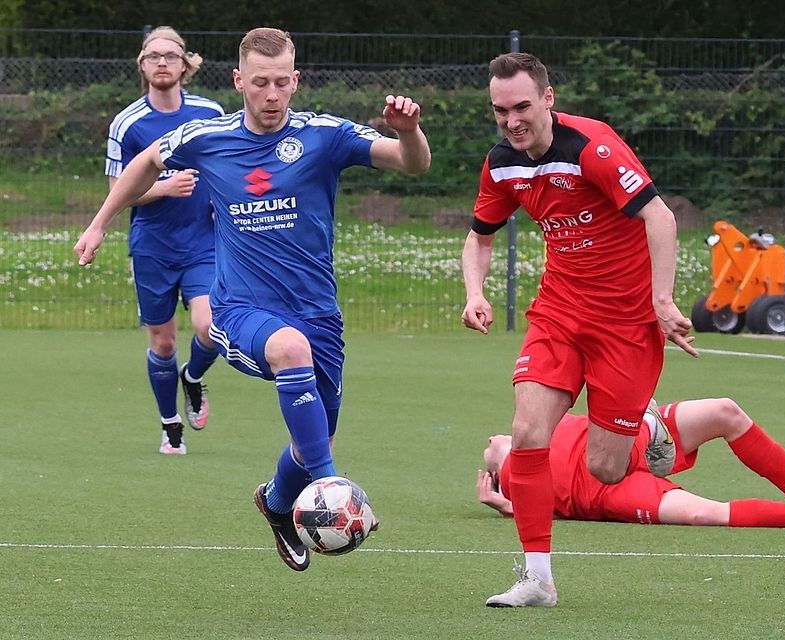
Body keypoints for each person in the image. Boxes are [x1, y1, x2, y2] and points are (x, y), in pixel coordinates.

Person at [75, 27, 431, 571]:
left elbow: (412, 164)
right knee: (291, 353)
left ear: (296, 81)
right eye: (259, 82)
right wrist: (100, 223)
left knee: (314, 430)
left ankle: (277, 500)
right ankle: (332, 488)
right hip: (239, 310)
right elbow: (144, 162)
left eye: (281, 82)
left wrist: (409, 132)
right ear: (239, 81)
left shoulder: (325, 135)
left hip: (318, 312)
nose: (270, 94)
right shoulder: (206, 136)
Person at [460, 52, 698, 607]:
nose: (512, 120)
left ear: (547, 98)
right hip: (559, 314)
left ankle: (651, 427)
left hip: (624, 325)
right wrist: (475, 291)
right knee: (527, 433)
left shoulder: (592, 146)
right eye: (500, 111)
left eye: (522, 106)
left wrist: (661, 300)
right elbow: (481, 236)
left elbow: (659, 217)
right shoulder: (501, 164)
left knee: (605, 469)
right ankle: (538, 578)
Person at [477, 398, 785, 535]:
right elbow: (534, 511)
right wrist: (504, 503)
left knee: (725, 411)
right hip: (610, 493)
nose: (488, 441)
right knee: (706, 514)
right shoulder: (517, 478)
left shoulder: (544, 421)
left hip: (631, 438)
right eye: (488, 450)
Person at [105, 26, 225, 454]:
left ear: (184, 64)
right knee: (163, 341)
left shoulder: (211, 113)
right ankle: (170, 423)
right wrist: (162, 188)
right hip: (153, 245)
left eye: (170, 55)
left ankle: (192, 377)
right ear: (142, 65)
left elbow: (227, 167)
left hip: (203, 243)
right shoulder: (128, 122)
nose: (161, 62)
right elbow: (119, 190)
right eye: (153, 55)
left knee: (210, 325)